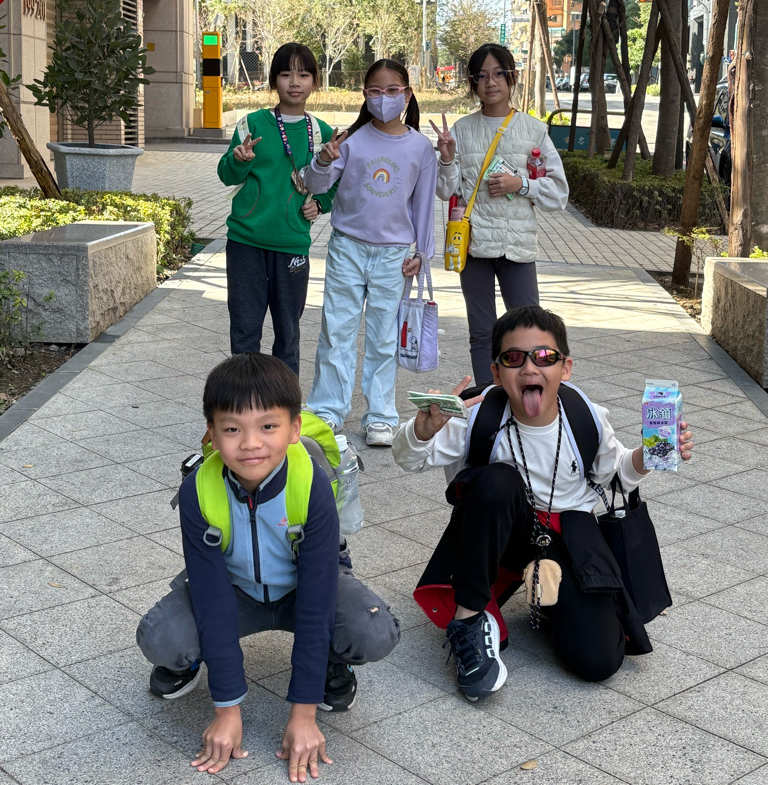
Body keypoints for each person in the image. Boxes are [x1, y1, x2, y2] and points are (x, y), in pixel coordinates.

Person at [392, 305, 695, 701]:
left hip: (569, 532)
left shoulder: (585, 415)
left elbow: (617, 474)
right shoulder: (477, 414)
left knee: (598, 662)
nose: (530, 368)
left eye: (545, 356)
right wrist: (420, 431)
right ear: (496, 372)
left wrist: (648, 455)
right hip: (501, 531)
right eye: (514, 358)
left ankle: (555, 598)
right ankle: (469, 620)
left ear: (565, 368)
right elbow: (410, 459)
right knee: (497, 481)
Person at [137, 353, 400, 781]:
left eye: (268, 427)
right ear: (211, 433)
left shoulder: (311, 484)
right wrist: (226, 710)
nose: (250, 444)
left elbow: (317, 598)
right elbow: (211, 598)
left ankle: (332, 661)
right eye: (232, 429)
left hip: (302, 590)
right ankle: (188, 663)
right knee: (161, 637)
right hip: (233, 590)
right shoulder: (196, 492)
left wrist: (303, 713)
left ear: (294, 429)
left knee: (371, 630)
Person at [303, 59, 437, 448]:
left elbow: (424, 206)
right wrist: (322, 160)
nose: (384, 98)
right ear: (364, 95)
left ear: (407, 94)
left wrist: (423, 253)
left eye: (393, 90)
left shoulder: (420, 147)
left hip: (395, 256)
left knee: (383, 337)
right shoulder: (351, 141)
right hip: (347, 247)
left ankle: (380, 416)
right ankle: (327, 411)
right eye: (375, 91)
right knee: (336, 330)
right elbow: (314, 184)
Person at [431, 44, 569, 385]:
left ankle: (528, 394)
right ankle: (488, 401)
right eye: (481, 76)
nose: (490, 82)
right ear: (472, 82)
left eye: (497, 74)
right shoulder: (462, 130)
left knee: (530, 331)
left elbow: (558, 194)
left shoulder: (533, 130)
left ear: (512, 78)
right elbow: (445, 190)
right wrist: (446, 159)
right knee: (481, 333)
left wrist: (520, 184)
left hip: (516, 247)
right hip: (473, 245)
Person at [216, 43, 337, 374]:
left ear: (315, 81)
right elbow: (226, 175)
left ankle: (284, 400)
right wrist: (239, 160)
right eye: (285, 74)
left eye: (303, 75)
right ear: (273, 80)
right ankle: (243, 396)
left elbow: (337, 182)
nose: (294, 82)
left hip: (292, 245)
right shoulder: (252, 124)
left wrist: (321, 203)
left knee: (288, 333)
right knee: (244, 330)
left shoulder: (323, 133)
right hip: (245, 242)